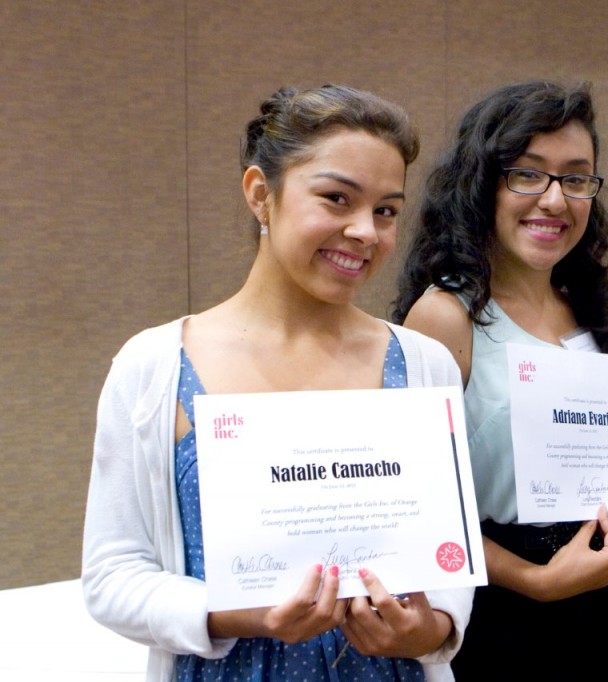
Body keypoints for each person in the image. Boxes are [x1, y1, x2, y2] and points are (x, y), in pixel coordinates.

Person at [81, 84, 473, 682]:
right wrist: (234, 612)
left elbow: (449, 558)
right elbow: (113, 575)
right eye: (337, 198)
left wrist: (430, 630)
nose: (366, 231)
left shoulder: (423, 365)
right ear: (261, 194)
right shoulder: (155, 365)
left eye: (386, 210)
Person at [391, 80, 608, 681]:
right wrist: (536, 581)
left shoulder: (594, 304)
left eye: (576, 178)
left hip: (607, 602)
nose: (554, 199)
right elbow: (420, 506)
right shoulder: (448, 315)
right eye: (528, 174)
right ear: (483, 184)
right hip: (505, 609)